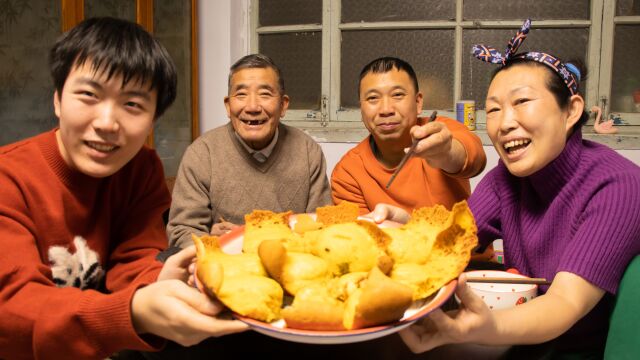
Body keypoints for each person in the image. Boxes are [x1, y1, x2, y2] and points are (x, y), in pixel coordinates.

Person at [370, 19, 640, 358]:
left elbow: (564, 302)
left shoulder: (619, 185)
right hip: (518, 344)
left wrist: (485, 328)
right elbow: (451, 240)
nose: (505, 122)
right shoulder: (506, 179)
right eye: (494, 109)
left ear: (571, 111)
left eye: (522, 101)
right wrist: (406, 225)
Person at [0, 17, 246, 359]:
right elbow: (11, 311)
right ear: (57, 100)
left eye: (132, 105)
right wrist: (131, 311)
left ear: (152, 119)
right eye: (88, 95)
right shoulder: (8, 178)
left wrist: (157, 280)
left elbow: (134, 257)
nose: (106, 123)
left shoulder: (140, 169)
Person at [167, 54, 331, 247]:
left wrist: (247, 236)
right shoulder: (202, 153)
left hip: (289, 266)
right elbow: (182, 231)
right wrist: (211, 242)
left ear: (283, 105)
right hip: (225, 267)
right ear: (228, 106)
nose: (252, 107)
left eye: (265, 94)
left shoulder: (307, 151)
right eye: (241, 94)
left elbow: (322, 228)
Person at [331, 56, 486, 215]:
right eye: (372, 98)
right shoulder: (348, 172)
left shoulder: (441, 131)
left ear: (418, 103)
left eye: (397, 95)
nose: (386, 109)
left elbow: (476, 160)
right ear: (361, 109)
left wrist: (446, 153)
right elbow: (359, 235)